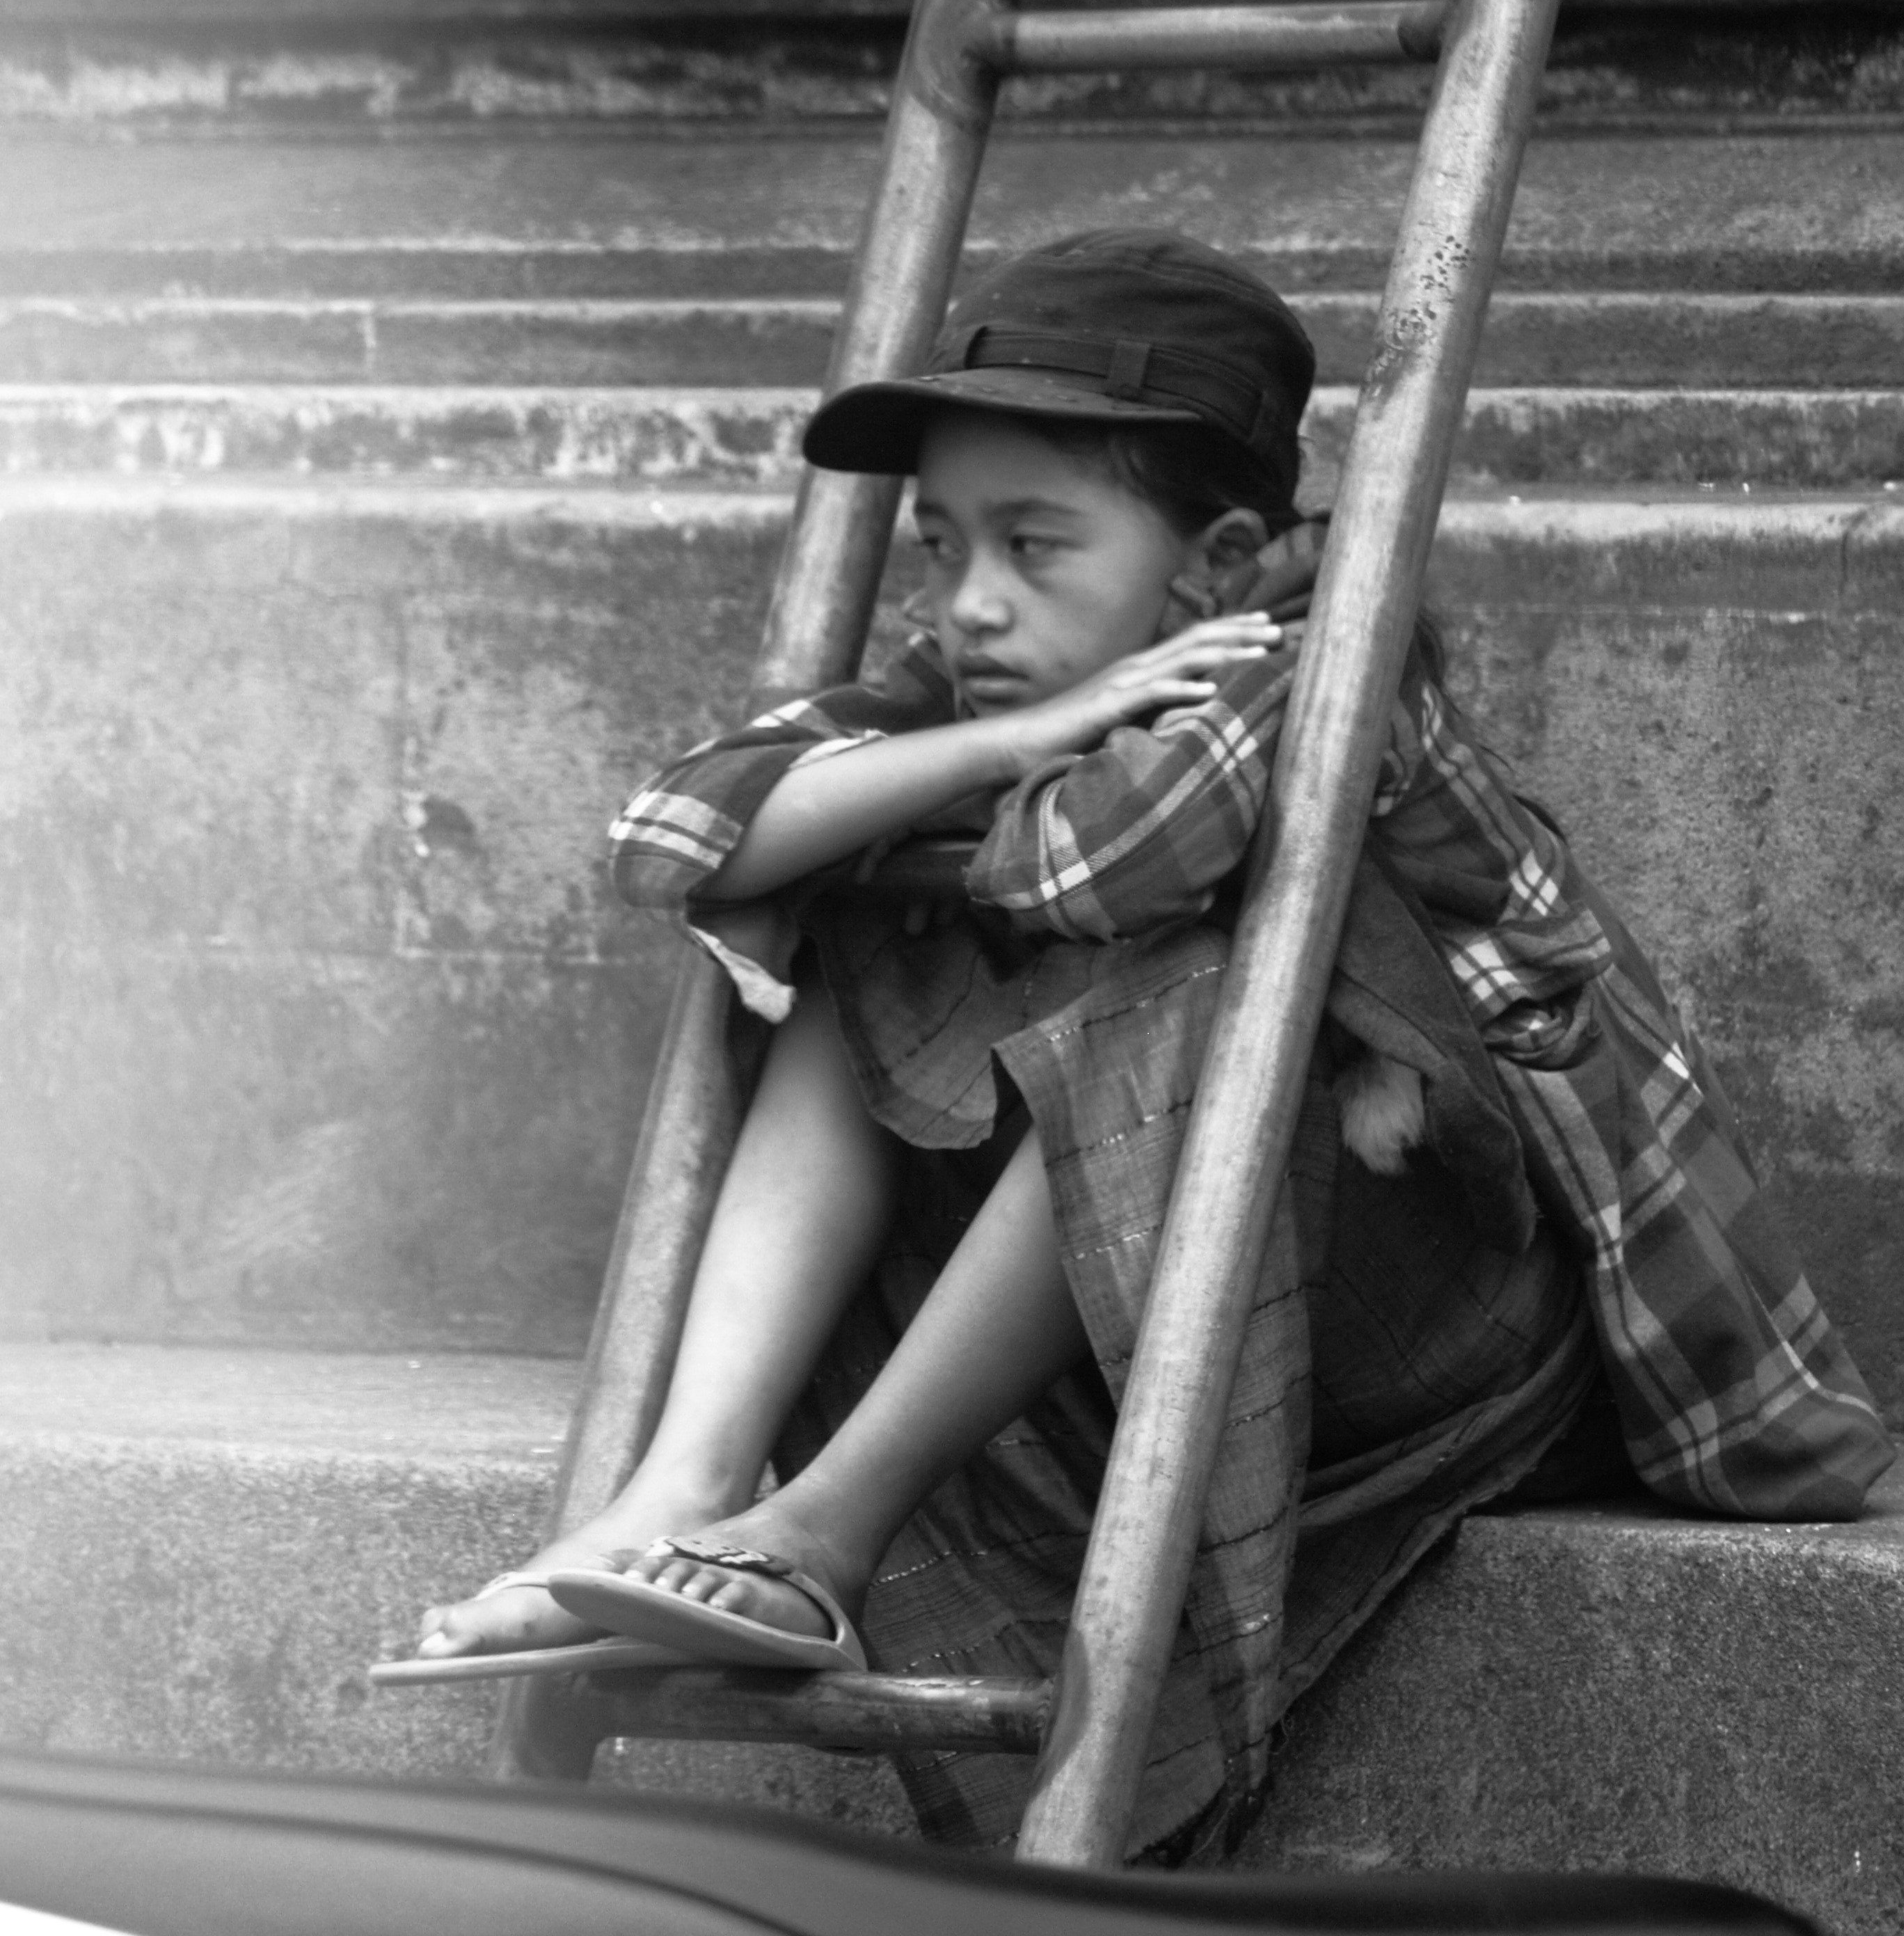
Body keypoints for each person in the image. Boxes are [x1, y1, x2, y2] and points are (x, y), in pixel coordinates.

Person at [411, 230, 1892, 1860]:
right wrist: (1013, 732)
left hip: (1446, 1317)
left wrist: (954, 776)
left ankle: (821, 1528)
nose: (973, 602)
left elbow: (1106, 863)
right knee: (854, 937)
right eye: (944, 546)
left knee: (1177, 961)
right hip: (1171, 1294)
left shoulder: (1330, 650)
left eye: (1038, 545)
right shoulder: (1002, 675)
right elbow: (674, 832)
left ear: (1220, 558)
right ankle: (683, 1492)